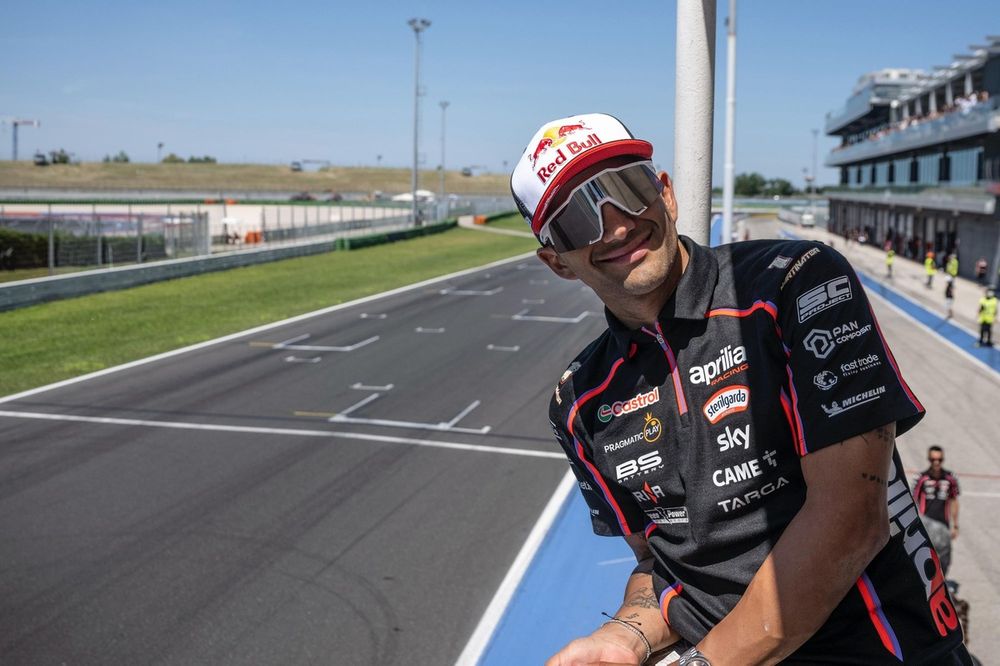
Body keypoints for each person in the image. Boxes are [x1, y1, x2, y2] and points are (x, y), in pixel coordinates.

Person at [512, 112, 968, 666]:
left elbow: (851, 522)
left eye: (626, 188)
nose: (616, 225)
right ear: (557, 262)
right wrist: (624, 637)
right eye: (576, 220)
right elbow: (663, 568)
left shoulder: (795, 282)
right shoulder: (579, 403)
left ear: (665, 193)